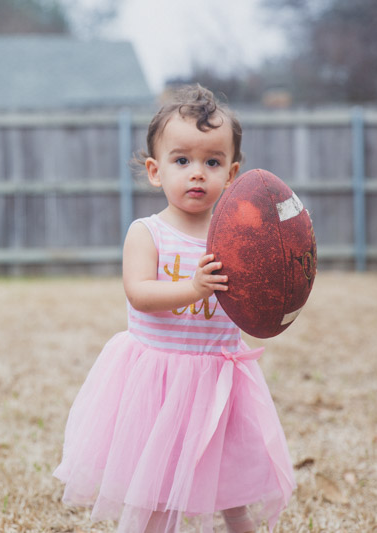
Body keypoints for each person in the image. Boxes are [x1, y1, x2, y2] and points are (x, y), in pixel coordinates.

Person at [53, 85, 295, 533]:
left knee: (233, 487)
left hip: (219, 378)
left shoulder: (240, 242)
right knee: (158, 493)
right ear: (155, 170)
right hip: (161, 382)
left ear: (233, 173)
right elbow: (139, 293)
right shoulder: (147, 233)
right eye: (181, 160)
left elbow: (251, 299)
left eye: (212, 162)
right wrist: (194, 287)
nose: (197, 173)